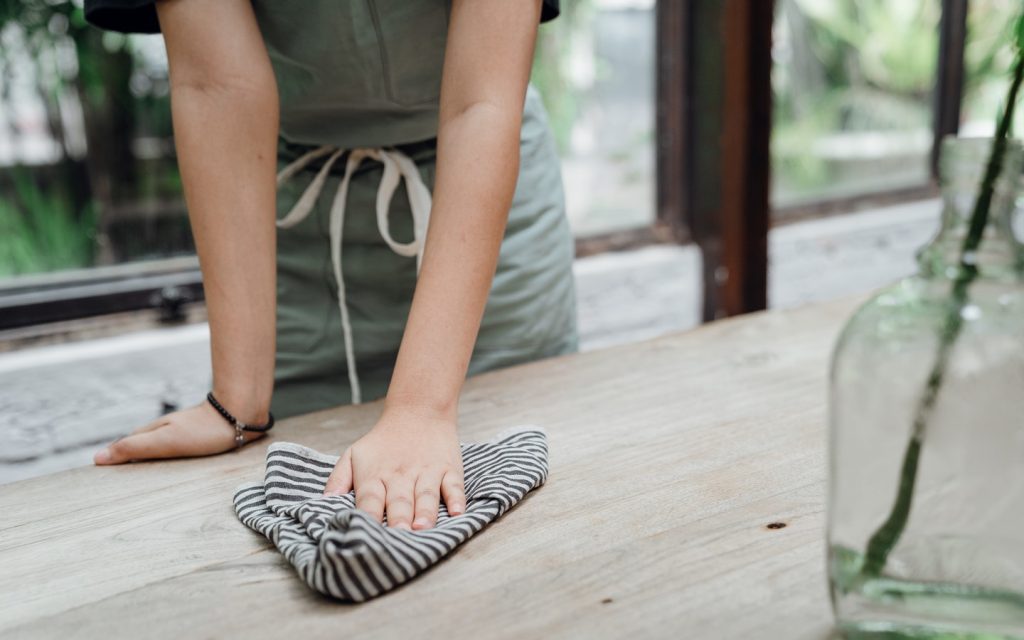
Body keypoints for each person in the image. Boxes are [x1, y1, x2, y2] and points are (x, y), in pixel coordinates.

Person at [83, 0, 578, 533]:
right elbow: (217, 87)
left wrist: (420, 410)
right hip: (291, 226)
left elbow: (479, 104)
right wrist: (237, 403)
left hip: (484, 221)